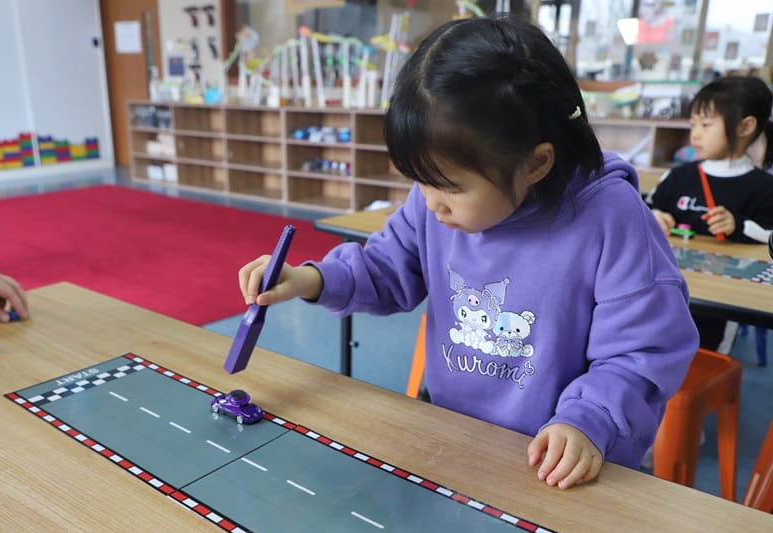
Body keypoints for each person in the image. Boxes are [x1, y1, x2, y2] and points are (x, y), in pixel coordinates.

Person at [239, 16, 698, 489]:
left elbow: (642, 350)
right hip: (456, 434)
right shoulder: (434, 202)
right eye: (419, 180)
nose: (429, 200)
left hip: (562, 459)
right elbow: (386, 266)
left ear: (536, 163)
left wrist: (589, 420)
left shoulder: (611, 219)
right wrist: (311, 279)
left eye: (449, 187)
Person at [645, 75, 773, 351]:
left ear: (746, 126)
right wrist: (655, 216)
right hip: (667, 287)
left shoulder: (763, 187)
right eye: (693, 124)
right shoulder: (678, 177)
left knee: (704, 354)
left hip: (719, 301)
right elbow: (646, 209)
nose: (696, 134)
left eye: (706, 124)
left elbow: (769, 235)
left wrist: (738, 225)